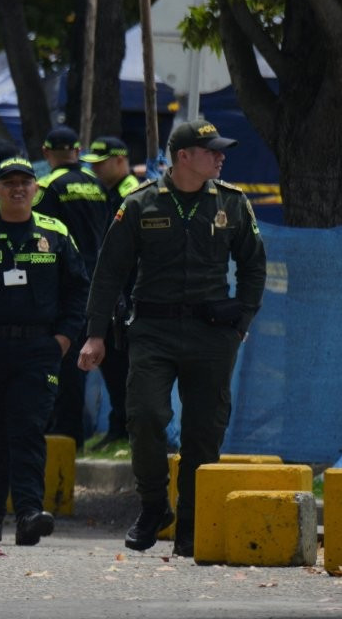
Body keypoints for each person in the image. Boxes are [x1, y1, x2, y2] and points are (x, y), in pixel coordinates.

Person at [78, 120, 266, 558]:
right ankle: (153, 506)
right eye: (212, 151)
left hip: (213, 333)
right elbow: (109, 274)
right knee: (145, 417)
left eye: (221, 151)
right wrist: (95, 335)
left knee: (204, 431)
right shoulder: (140, 204)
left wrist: (243, 321)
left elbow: (254, 265)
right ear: (184, 156)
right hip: (153, 332)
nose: (221, 157)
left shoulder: (233, 204)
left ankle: (192, 524)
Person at [0, 157, 88, 546]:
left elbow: (79, 288)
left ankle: (29, 512)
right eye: (8, 182)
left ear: (36, 189)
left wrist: (64, 338)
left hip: (37, 348)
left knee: (29, 429)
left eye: (24, 182)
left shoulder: (56, 233)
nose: (17, 189)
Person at [34, 126, 108, 449]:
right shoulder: (98, 185)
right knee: (102, 357)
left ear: (46, 152)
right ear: (77, 151)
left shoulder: (48, 186)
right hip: (101, 278)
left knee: (65, 358)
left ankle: (65, 434)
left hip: (65, 280)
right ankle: (92, 431)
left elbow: (41, 236)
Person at [83, 136, 141, 449]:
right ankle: (119, 424)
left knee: (123, 366)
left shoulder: (131, 195)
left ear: (120, 160)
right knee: (113, 366)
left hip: (127, 296)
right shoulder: (112, 193)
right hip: (116, 294)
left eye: (100, 162)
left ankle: (126, 427)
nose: (95, 168)